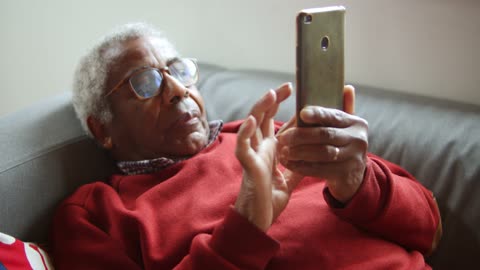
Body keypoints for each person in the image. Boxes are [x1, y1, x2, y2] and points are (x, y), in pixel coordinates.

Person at [50, 22, 442, 269]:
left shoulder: (267, 138)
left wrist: (360, 182)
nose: (176, 90)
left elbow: (430, 230)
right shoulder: (96, 215)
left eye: (178, 70)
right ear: (102, 130)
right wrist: (245, 227)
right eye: (145, 83)